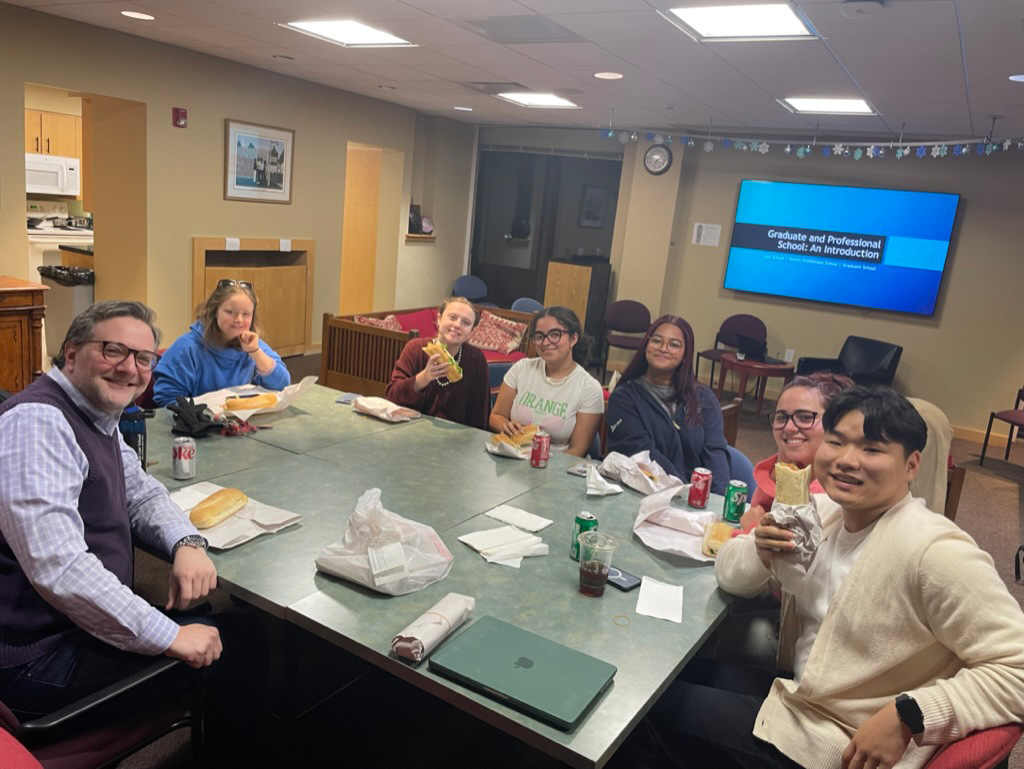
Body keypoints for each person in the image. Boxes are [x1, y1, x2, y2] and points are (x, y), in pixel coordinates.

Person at [615, 385, 1024, 769]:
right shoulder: (822, 513)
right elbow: (731, 579)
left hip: (835, 739)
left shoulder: (934, 551)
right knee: (653, 674)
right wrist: (758, 548)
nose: (847, 459)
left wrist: (909, 714)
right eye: (837, 441)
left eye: (872, 448)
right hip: (802, 693)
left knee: (636, 711)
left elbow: (1017, 670)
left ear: (911, 464)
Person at [0, 301, 268, 764]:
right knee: (241, 643)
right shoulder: (38, 423)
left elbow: (141, 492)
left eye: (144, 358)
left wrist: (188, 543)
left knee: (210, 621)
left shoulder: (92, 414)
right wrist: (168, 637)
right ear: (70, 354)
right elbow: (60, 568)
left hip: (65, 629)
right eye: (113, 351)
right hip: (34, 662)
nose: (131, 368)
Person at [605, 315, 732, 493]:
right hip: (646, 494)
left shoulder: (703, 399)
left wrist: (718, 500)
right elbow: (643, 457)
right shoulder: (624, 397)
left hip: (699, 500)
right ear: (646, 346)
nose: (663, 348)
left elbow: (715, 452)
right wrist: (685, 492)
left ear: (686, 355)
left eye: (674, 344)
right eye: (656, 341)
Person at [739, 372, 854, 530]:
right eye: (781, 417)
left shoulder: (833, 498)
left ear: (838, 423)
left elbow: (785, 550)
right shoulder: (779, 471)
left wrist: (751, 529)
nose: (789, 427)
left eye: (805, 417)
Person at [152, 278, 290, 406]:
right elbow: (166, 399)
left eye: (246, 314)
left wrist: (255, 353)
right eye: (230, 312)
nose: (239, 320)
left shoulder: (252, 345)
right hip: (198, 425)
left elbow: (281, 383)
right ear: (214, 311)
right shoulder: (188, 348)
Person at [490, 306, 603, 457]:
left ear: (573, 339)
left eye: (555, 334)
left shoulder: (589, 388)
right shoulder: (521, 369)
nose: (546, 342)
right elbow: (496, 416)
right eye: (539, 336)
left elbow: (577, 451)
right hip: (513, 456)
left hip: (556, 466)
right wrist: (506, 426)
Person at [386, 297, 490, 429]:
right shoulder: (415, 348)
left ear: (471, 331)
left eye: (466, 323)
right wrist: (424, 377)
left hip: (456, 438)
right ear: (439, 319)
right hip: (408, 429)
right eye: (452, 317)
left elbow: (480, 415)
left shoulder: (476, 359)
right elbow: (392, 397)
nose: (457, 325)